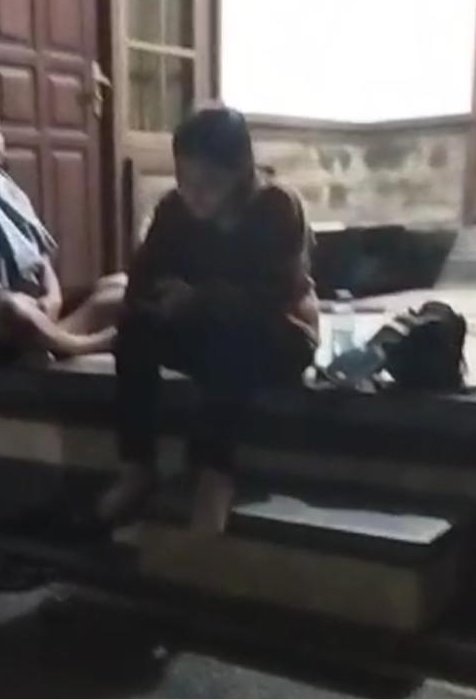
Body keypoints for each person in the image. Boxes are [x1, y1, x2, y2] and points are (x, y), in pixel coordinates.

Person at [98, 106, 319, 534]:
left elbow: (273, 296)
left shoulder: (276, 206)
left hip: (276, 336)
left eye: (209, 182)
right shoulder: (174, 209)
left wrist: (201, 298)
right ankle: (137, 465)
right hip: (201, 328)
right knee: (134, 331)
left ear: (239, 172)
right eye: (185, 179)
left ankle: (214, 474)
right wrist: (159, 304)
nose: (194, 193)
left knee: (229, 337)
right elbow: (142, 281)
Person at [0, 99, 125, 361]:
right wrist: (8, 297)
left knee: (119, 286)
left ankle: (44, 340)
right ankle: (83, 345)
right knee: (13, 310)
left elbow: (41, 260)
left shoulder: (13, 194)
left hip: (35, 305)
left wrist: (53, 297)